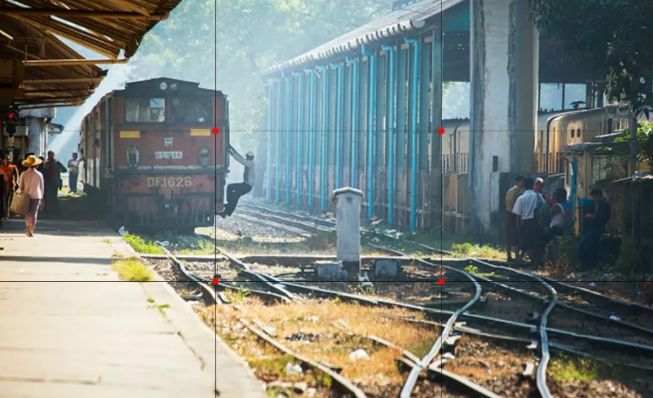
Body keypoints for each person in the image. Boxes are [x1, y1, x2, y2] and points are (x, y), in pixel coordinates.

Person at [512, 177, 545, 266]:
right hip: (535, 222)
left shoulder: (521, 198)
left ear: (524, 186)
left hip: (525, 222)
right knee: (535, 243)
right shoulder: (537, 196)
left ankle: (533, 262)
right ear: (532, 185)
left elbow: (518, 214)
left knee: (527, 244)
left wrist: (517, 226)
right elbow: (542, 207)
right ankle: (536, 262)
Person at [218, 146, 254, 218]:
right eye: (247, 157)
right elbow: (241, 157)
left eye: (248, 157)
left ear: (251, 158)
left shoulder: (250, 164)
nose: (247, 158)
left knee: (234, 193)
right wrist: (232, 149)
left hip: (247, 186)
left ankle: (228, 208)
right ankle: (227, 210)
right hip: (245, 185)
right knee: (232, 190)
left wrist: (231, 153)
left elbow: (241, 160)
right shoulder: (248, 162)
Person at [579, 188, 610, 270]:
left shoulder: (604, 204)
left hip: (599, 229)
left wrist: (591, 217)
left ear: (598, 196)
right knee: (583, 243)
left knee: (587, 244)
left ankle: (587, 264)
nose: (593, 199)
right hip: (593, 228)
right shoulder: (597, 204)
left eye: (594, 197)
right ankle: (585, 263)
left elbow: (601, 218)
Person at [18, 155, 45, 237]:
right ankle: (31, 229)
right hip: (37, 195)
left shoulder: (23, 174)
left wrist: (22, 192)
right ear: (36, 165)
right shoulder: (39, 174)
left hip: (26, 196)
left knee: (27, 213)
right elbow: (42, 187)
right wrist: (42, 198)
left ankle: (28, 228)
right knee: (34, 213)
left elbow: (20, 186)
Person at [505, 175, 525, 261]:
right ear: (518, 182)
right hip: (514, 215)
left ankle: (509, 255)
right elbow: (518, 205)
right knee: (517, 234)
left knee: (509, 235)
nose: (523, 184)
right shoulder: (518, 192)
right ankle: (517, 255)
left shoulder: (509, 190)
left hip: (508, 213)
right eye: (522, 182)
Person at [0, 154, 18, 220]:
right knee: (5, 201)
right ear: (3, 160)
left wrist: (16, 182)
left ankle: (10, 214)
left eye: (8, 159)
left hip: (11, 185)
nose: (7, 160)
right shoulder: (1, 167)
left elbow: (17, 175)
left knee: (11, 200)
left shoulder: (13, 167)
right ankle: (6, 215)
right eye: (6, 159)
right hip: (4, 186)